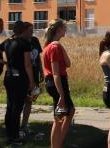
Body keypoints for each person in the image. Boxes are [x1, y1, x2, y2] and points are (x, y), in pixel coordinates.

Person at [0, 21, 34, 145]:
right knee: (17, 108)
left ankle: (9, 135)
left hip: (9, 76)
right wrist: (31, 81)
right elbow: (27, 64)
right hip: (20, 78)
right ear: (23, 31)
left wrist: (4, 62)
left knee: (10, 106)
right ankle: (15, 137)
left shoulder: (7, 42)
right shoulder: (25, 43)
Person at [42, 20, 74, 148]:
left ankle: (58, 143)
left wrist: (61, 46)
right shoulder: (54, 47)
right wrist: (61, 94)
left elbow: (68, 63)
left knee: (69, 111)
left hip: (55, 82)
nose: (66, 30)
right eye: (64, 28)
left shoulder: (52, 46)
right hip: (58, 82)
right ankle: (55, 145)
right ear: (59, 30)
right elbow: (55, 73)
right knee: (59, 117)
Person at [21, 27, 44, 134]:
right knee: (22, 99)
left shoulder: (35, 40)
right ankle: (16, 123)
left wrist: (41, 71)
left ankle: (24, 123)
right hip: (23, 75)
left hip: (35, 73)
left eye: (32, 30)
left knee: (32, 98)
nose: (32, 32)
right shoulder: (20, 41)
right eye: (29, 30)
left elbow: (38, 57)